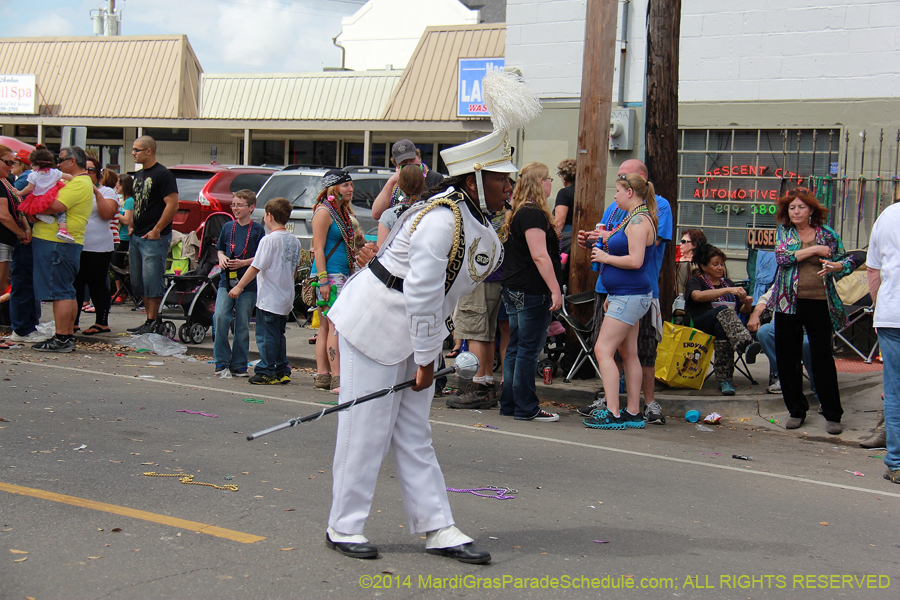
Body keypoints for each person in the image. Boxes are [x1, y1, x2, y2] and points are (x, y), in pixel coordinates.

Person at [322, 69, 536, 564]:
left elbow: (440, 296)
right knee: (365, 428)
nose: (510, 186)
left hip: (413, 330)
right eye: (502, 178)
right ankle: (343, 525)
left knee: (414, 433)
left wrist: (428, 352)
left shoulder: (472, 220)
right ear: (475, 179)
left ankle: (438, 526)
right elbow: (420, 292)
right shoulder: (442, 220)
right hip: (375, 324)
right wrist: (427, 357)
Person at [575, 159, 673, 426]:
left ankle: (613, 412)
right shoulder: (632, 217)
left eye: (618, 191)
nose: (615, 196)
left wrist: (605, 258)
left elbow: (636, 261)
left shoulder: (640, 220)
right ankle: (632, 411)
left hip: (631, 294)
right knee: (629, 353)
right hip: (625, 294)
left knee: (602, 349)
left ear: (630, 192)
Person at [768, 188, 853, 434]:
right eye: (792, 208)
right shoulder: (784, 232)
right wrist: (815, 250)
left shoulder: (827, 234)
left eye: (801, 207)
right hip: (787, 302)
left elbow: (846, 261)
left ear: (811, 210)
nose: (796, 212)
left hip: (819, 301)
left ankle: (832, 413)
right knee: (788, 357)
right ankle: (796, 410)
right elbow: (783, 258)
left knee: (822, 357)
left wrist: (837, 266)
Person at [497, 162, 562, 422]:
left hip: (514, 287)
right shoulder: (533, 213)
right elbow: (539, 255)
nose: (550, 184)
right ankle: (526, 406)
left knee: (516, 346)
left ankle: (510, 403)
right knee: (527, 349)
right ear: (539, 182)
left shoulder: (518, 211)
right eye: (548, 179)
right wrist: (555, 289)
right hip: (530, 289)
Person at [229, 197, 301, 385]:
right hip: (285, 296)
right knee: (279, 335)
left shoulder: (269, 240)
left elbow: (256, 266)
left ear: (269, 216)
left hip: (270, 297)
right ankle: (282, 368)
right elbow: (294, 270)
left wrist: (239, 286)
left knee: (266, 336)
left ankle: (266, 370)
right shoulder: (294, 241)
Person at [444, 195, 507, 410]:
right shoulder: (498, 208)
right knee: (486, 333)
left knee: (474, 333)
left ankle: (478, 387)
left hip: (476, 277)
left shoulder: (474, 209)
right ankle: (486, 383)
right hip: (493, 275)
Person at [29, 146, 94, 352]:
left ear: (73, 161)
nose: (57, 164)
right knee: (66, 290)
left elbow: (55, 205)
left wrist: (32, 207)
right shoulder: (77, 182)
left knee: (60, 292)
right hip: (60, 242)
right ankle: (65, 336)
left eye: (61, 160)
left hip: (56, 242)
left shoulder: (79, 183)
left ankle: (62, 338)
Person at [684, 242, 756, 395]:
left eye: (722, 264)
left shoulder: (727, 283)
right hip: (699, 324)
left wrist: (747, 303)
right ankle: (745, 344)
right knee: (722, 309)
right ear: (703, 266)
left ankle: (725, 380)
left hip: (722, 326)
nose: (720, 268)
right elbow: (696, 296)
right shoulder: (697, 281)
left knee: (722, 328)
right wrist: (727, 290)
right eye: (715, 264)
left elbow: (742, 310)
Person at [127, 135, 179, 335]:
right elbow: (138, 202)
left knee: (152, 280)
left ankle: (153, 321)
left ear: (148, 151)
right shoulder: (139, 175)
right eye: (133, 149)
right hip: (137, 236)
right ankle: (148, 321)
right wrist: (132, 224)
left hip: (154, 238)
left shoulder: (163, 174)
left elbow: (172, 204)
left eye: (137, 149)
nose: (133, 153)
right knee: (139, 282)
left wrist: (157, 229)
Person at [311, 169, 357, 393]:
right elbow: (318, 248)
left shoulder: (341, 212)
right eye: (345, 185)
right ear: (333, 188)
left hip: (340, 275)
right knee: (334, 327)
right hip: (329, 276)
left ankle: (323, 375)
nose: (350, 189)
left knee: (326, 327)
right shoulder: (324, 212)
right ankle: (337, 377)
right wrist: (323, 281)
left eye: (351, 185)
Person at [214, 190, 265, 377]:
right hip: (226, 280)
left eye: (239, 205)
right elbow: (220, 248)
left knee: (242, 323)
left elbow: (261, 257)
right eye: (233, 205)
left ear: (251, 208)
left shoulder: (257, 230)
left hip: (248, 283)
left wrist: (243, 263)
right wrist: (221, 257)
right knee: (220, 316)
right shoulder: (228, 227)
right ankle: (221, 360)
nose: (235, 208)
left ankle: (239, 363)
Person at [867, 201, 900, 479]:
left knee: (895, 390)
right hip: (890, 315)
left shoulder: (887, 215)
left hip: (891, 313)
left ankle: (897, 463)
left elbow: (873, 270)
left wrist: (879, 308)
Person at [71, 156, 118, 335]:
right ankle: (73, 322)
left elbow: (107, 214)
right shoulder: (74, 189)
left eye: (90, 170)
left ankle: (101, 322)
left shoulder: (106, 191)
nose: (86, 173)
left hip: (98, 247)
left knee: (97, 284)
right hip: (76, 244)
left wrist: (95, 192)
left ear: (97, 173)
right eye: (83, 170)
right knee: (76, 284)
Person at [746, 285, 814, 395]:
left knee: (807, 344)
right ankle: (784, 377)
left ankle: (818, 387)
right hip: (782, 322)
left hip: (808, 325)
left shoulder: (817, 277)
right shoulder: (784, 277)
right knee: (764, 332)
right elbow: (765, 299)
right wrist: (754, 315)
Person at [0, 145, 33, 349]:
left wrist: (25, 227)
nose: (11, 166)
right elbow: (3, 214)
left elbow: (18, 209)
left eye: (13, 163)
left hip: (7, 240)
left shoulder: (7, 182)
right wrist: (20, 232)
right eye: (7, 162)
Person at [370, 139, 444, 221]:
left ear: (419, 157)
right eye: (404, 162)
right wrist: (390, 182)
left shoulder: (436, 178)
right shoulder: (395, 184)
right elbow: (376, 214)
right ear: (397, 165)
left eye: (412, 160)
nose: (409, 164)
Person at [15, 147, 75, 243]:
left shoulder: (33, 175)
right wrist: (65, 179)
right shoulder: (54, 172)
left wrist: (19, 193)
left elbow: (29, 188)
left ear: (37, 164)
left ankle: (39, 215)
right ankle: (62, 230)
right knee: (61, 213)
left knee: (34, 209)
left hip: (37, 199)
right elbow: (69, 177)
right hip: (50, 197)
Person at [112, 174, 135, 303]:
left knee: (117, 263)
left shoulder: (129, 201)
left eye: (119, 183)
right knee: (115, 264)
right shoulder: (121, 200)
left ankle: (121, 292)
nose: (116, 186)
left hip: (124, 237)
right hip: (117, 236)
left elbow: (126, 220)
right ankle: (119, 291)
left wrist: (115, 211)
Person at [553, 158, 576, 255]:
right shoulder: (585, 192)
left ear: (564, 177)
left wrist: (553, 240)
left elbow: (559, 221)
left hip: (567, 239)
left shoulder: (564, 193)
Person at [675, 228, 706, 296]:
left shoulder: (702, 263)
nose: (680, 244)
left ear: (694, 244)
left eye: (683, 241)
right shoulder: (675, 258)